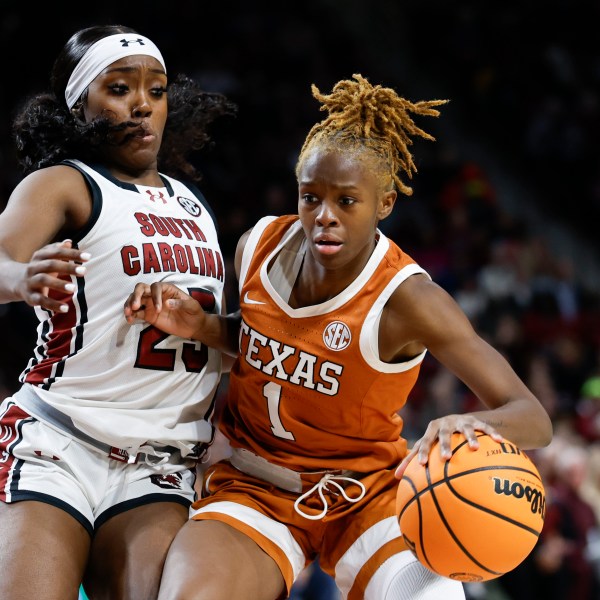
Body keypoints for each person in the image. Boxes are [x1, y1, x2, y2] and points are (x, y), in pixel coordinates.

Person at [124, 74, 553, 600]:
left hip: (365, 494)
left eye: (347, 202)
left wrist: (473, 421)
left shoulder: (408, 299)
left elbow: (533, 419)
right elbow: (266, 345)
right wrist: (204, 327)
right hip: (252, 485)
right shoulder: (255, 246)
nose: (324, 217)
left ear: (385, 204)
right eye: (312, 198)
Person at [0, 24, 235, 600]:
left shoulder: (194, 206)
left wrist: (203, 325)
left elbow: (232, 339)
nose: (142, 106)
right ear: (81, 105)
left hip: (161, 459)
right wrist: (22, 277)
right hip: (59, 440)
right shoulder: (63, 184)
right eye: (120, 89)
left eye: (156, 91)